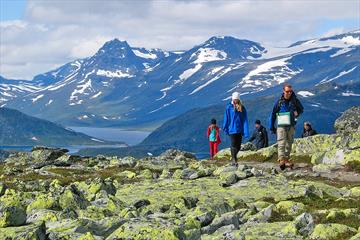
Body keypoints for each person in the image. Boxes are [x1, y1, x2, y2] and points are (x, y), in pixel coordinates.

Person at [270, 83, 304, 170]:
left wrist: (297, 113)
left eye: (290, 91)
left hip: (291, 125)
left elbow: (301, 109)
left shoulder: (295, 101)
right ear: (283, 91)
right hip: (281, 125)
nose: (289, 93)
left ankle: (286, 160)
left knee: (289, 143)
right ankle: (281, 159)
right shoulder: (279, 102)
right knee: (281, 142)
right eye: (287, 91)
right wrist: (272, 126)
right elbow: (273, 114)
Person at [223, 92, 249, 166]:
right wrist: (225, 127)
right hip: (232, 129)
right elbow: (226, 118)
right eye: (234, 99)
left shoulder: (242, 108)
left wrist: (245, 131)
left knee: (238, 146)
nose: (235, 101)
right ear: (232, 99)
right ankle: (234, 159)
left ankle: (234, 157)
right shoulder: (229, 107)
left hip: (239, 129)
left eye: (236, 99)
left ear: (239, 99)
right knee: (233, 144)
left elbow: (244, 120)